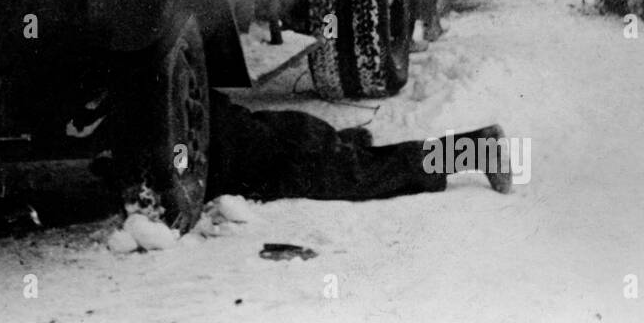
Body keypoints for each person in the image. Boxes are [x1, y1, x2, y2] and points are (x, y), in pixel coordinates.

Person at [207, 92, 513, 202]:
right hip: (275, 134)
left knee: (368, 174)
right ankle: (344, 143)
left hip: (286, 158)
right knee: (352, 163)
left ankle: (479, 148)